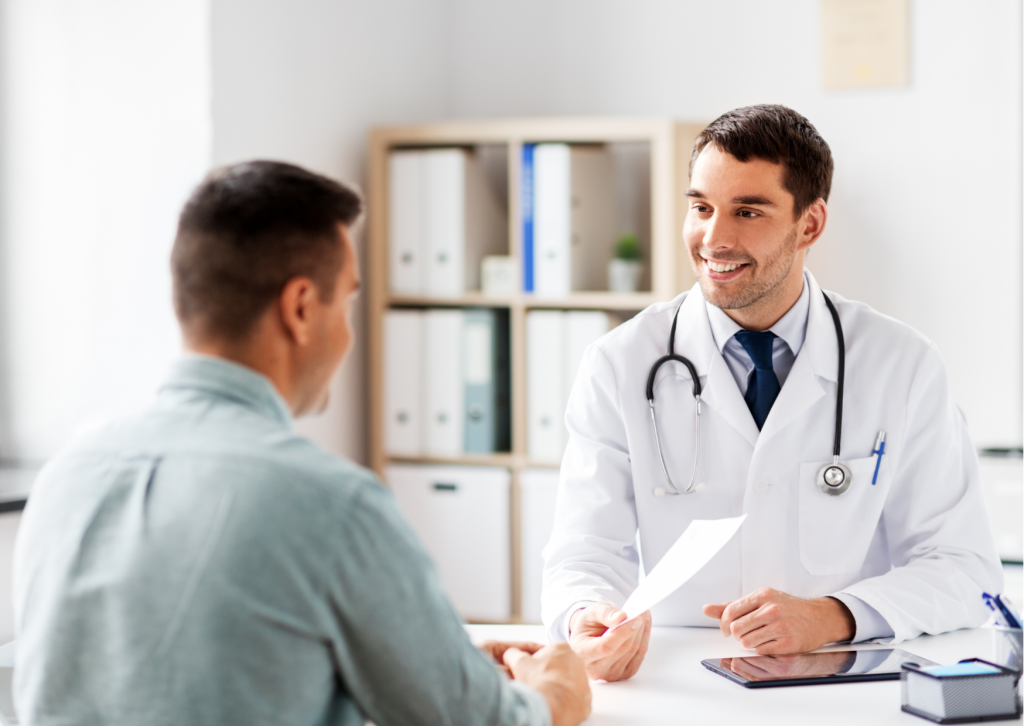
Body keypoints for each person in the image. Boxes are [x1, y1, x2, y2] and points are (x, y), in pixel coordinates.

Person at [13, 161, 591, 726]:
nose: (348, 331)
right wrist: (556, 697)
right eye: (347, 301)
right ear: (300, 308)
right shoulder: (331, 504)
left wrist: (442, 667)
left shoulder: (68, 477)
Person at [542, 104, 1003, 682]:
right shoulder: (620, 363)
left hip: (841, 684)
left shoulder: (900, 364)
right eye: (701, 208)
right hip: (677, 683)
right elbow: (583, 553)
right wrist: (587, 615)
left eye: (747, 211)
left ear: (809, 224)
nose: (714, 238)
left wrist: (835, 616)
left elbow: (963, 567)